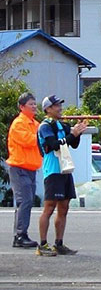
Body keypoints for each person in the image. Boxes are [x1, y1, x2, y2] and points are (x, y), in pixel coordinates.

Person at [36, 95, 88, 256]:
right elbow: (53, 145)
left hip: (65, 170)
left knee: (64, 207)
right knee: (49, 207)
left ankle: (59, 243)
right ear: (48, 109)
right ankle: (42, 244)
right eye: (56, 105)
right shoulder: (45, 126)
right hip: (53, 170)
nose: (60, 108)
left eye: (59, 104)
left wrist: (77, 132)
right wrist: (73, 134)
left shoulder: (60, 125)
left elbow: (73, 143)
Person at [7, 92, 42, 249]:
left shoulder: (34, 123)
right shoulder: (19, 124)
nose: (34, 106)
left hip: (30, 168)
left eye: (35, 104)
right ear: (22, 107)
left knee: (27, 201)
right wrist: (42, 134)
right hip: (19, 167)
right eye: (31, 104)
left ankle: (21, 234)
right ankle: (20, 235)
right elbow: (29, 140)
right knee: (25, 201)